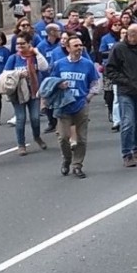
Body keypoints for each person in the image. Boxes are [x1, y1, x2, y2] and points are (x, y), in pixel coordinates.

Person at [49, 35, 98, 178]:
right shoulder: (59, 64)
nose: (79, 48)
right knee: (63, 137)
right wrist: (59, 84)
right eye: (76, 46)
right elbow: (51, 81)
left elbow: (95, 82)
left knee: (81, 138)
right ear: (68, 48)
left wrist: (89, 97)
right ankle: (67, 159)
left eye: (80, 45)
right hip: (64, 105)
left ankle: (77, 165)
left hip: (80, 104)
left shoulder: (87, 64)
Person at [107, 24, 137, 167]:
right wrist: (126, 82)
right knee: (128, 122)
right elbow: (110, 70)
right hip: (126, 92)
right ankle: (127, 154)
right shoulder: (119, 48)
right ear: (132, 35)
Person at [2, 33, 48, 155]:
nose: (20, 46)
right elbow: (5, 74)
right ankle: (21, 145)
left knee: (35, 118)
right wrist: (18, 74)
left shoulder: (35, 57)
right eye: (18, 44)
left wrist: (37, 53)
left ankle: (37, 137)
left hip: (34, 92)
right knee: (20, 119)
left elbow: (44, 68)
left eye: (23, 43)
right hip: (18, 93)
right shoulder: (13, 58)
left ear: (29, 44)